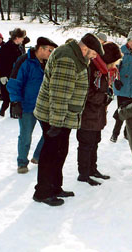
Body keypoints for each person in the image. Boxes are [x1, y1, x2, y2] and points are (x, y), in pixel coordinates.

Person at [33, 33, 104, 206]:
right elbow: (59, 94)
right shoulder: (68, 59)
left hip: (62, 116)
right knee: (51, 154)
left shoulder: (76, 56)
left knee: (60, 152)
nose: (95, 58)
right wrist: (56, 123)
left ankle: (55, 187)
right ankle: (43, 192)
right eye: (94, 53)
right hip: (55, 116)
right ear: (85, 48)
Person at [7, 37, 58, 174]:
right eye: (49, 50)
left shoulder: (49, 62)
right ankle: (22, 162)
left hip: (44, 106)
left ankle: (38, 156)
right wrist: (16, 102)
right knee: (25, 136)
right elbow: (14, 82)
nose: (51, 53)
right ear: (40, 48)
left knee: (50, 132)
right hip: (27, 106)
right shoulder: (24, 61)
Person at [77, 42, 122, 186]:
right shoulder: (91, 68)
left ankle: (92, 169)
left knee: (94, 142)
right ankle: (83, 174)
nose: (114, 65)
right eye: (113, 62)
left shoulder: (102, 69)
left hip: (97, 114)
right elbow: (86, 92)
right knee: (86, 144)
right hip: (87, 114)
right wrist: (103, 97)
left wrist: (107, 95)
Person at [0, 28, 27, 117]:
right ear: (17, 38)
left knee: (15, 94)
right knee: (7, 96)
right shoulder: (6, 47)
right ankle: (3, 110)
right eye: (22, 37)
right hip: (7, 74)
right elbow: (0, 62)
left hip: (18, 74)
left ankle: (13, 113)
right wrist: (2, 75)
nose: (23, 39)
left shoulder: (20, 47)